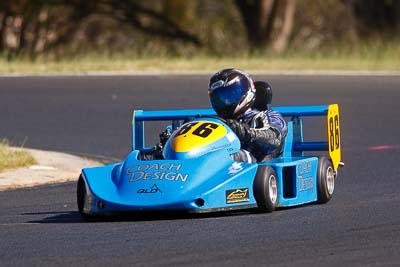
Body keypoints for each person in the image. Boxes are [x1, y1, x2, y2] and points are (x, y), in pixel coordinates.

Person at [208, 68, 287, 163]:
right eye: (219, 98)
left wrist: (246, 133)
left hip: (258, 165)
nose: (225, 102)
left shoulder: (268, 115)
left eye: (230, 95)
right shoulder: (218, 122)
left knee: (230, 157)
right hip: (225, 164)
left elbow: (275, 139)